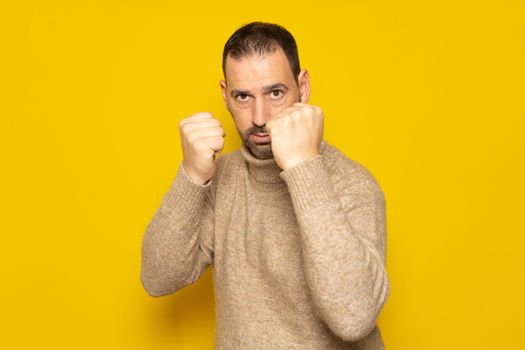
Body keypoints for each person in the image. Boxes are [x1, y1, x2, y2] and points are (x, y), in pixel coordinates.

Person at [140, 21, 390, 350]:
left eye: (275, 92)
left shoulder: (352, 184)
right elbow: (158, 278)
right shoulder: (222, 180)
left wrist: (304, 168)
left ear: (303, 86)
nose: (259, 116)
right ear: (224, 95)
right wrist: (191, 175)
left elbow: (353, 317)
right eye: (243, 96)